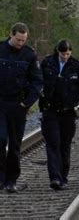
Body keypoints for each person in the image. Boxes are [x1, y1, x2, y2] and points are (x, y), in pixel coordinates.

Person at [39, 40, 79, 190]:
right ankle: (55, 178)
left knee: (64, 145)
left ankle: (63, 176)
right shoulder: (47, 64)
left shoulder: (77, 66)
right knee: (53, 144)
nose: (65, 56)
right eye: (63, 54)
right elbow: (37, 81)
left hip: (68, 112)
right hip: (50, 110)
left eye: (68, 54)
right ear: (57, 52)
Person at [0, 22, 43, 193]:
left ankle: (11, 180)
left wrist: (27, 103)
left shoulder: (30, 55)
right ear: (11, 35)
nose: (20, 43)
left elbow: (37, 81)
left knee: (15, 144)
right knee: (1, 140)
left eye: (23, 40)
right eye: (18, 40)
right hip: (1, 104)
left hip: (18, 105)